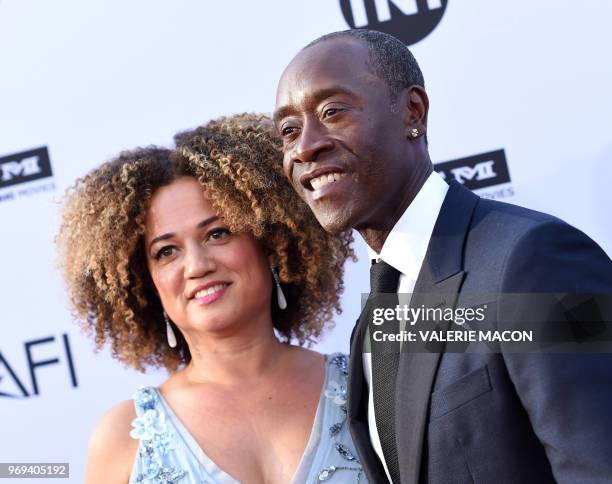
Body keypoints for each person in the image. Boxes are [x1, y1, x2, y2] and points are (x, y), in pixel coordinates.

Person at [274, 29, 612, 483]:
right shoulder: (373, 320)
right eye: (289, 130)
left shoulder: (534, 259)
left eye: (333, 112)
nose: (304, 146)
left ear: (413, 111)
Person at [56, 114, 368, 483]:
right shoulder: (122, 439)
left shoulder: (366, 389)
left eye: (218, 233)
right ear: (144, 282)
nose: (197, 265)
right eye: (166, 251)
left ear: (270, 243)